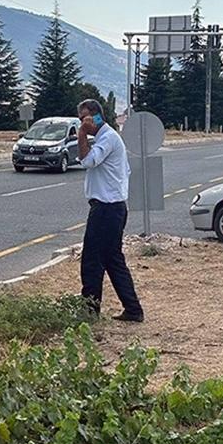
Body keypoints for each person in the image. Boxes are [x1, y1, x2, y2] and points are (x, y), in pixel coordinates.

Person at [75, 99, 143, 323]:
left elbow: (88, 161)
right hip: (112, 208)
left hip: (106, 209)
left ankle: (90, 311)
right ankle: (133, 309)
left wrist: (82, 135)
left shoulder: (107, 138)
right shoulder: (108, 137)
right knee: (113, 260)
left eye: (83, 117)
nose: (81, 122)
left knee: (92, 260)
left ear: (94, 116)